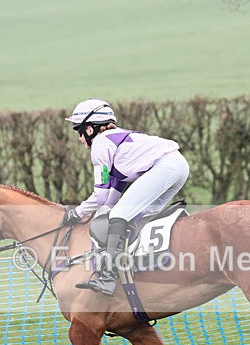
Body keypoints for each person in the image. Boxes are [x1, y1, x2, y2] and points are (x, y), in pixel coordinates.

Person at [64, 98, 190, 296]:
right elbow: (110, 198)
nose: (80, 139)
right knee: (137, 218)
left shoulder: (100, 144)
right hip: (179, 167)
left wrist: (76, 213)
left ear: (90, 129)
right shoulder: (118, 142)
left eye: (79, 131)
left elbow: (100, 195)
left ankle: (107, 278)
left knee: (119, 216)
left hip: (165, 167)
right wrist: (98, 213)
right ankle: (141, 270)